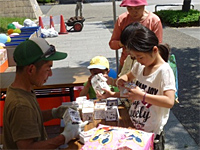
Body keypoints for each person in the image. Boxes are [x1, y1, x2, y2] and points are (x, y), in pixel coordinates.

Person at [2, 38, 88, 149]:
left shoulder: (22, 90)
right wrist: (64, 137)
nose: (51, 74)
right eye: (48, 68)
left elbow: (31, 120)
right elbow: (28, 148)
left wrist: (55, 112)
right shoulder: (21, 105)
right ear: (31, 70)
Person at [116, 26, 176, 150]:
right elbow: (129, 76)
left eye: (140, 56)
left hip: (152, 134)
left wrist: (142, 96)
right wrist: (123, 80)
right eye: (135, 57)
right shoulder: (140, 65)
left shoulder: (164, 71)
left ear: (154, 50)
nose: (138, 60)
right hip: (135, 126)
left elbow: (169, 101)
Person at [109, 0, 163, 73]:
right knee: (122, 82)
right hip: (126, 63)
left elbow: (158, 45)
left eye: (137, 8)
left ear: (144, 6)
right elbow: (112, 44)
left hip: (147, 63)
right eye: (129, 8)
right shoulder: (122, 19)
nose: (134, 11)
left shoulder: (154, 20)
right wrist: (123, 43)